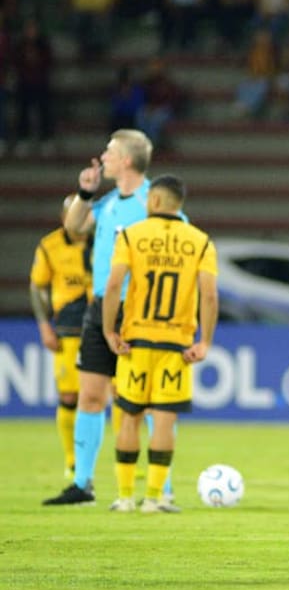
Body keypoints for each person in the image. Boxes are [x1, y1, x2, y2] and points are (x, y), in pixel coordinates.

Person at [44, 129, 158, 507]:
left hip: (140, 309)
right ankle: (82, 484)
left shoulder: (152, 201)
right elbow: (73, 228)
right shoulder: (108, 203)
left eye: (109, 152)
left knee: (143, 400)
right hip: (100, 307)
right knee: (91, 396)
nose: (103, 157)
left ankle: (161, 487)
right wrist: (85, 193)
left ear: (126, 160)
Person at [103, 175, 218, 512]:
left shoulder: (131, 236)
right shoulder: (200, 242)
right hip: (176, 345)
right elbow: (209, 296)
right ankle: (154, 498)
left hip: (136, 341)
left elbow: (113, 287)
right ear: (178, 204)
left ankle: (125, 497)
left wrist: (110, 332)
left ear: (153, 201)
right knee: (164, 420)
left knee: (129, 418)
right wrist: (205, 342)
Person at [30, 196, 92, 479]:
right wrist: (44, 325)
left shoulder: (104, 241)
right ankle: (72, 460)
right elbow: (37, 286)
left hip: (102, 326)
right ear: (64, 216)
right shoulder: (50, 245)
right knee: (69, 395)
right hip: (68, 329)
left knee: (118, 395)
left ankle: (126, 462)